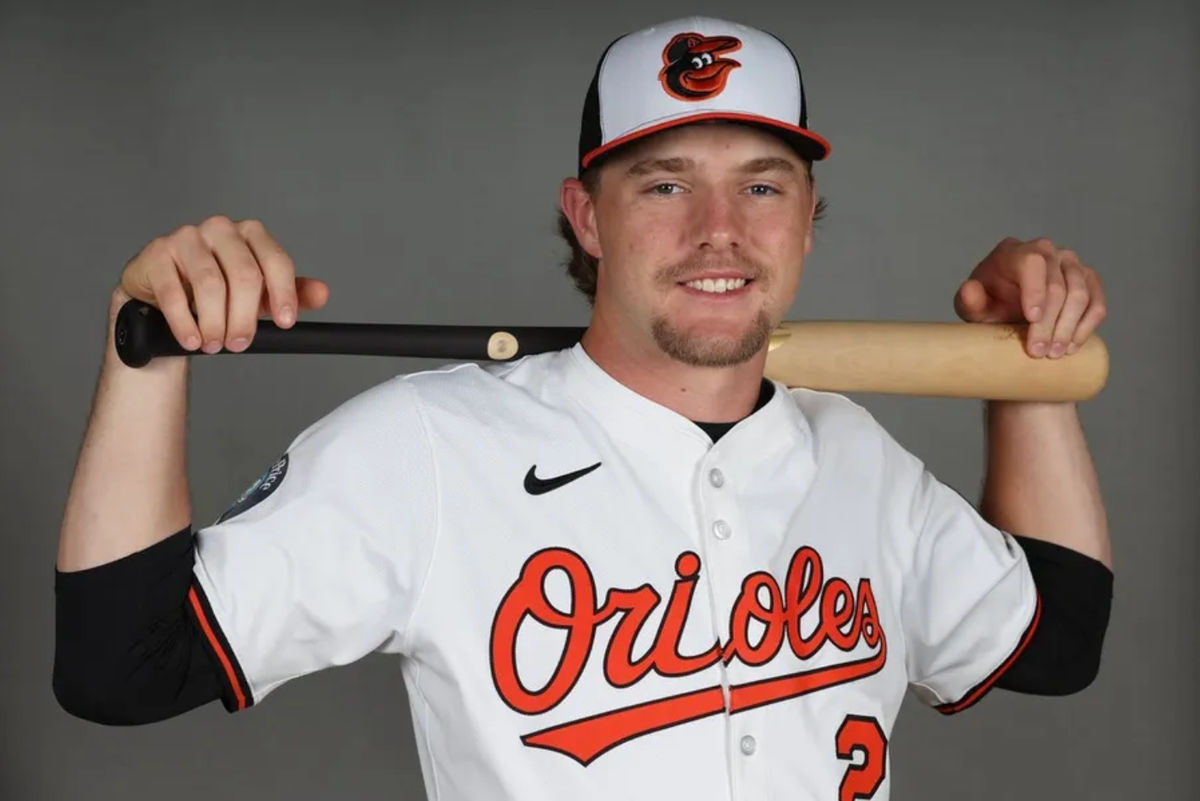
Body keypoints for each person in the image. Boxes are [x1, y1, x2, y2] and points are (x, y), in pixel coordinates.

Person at [54, 15, 1113, 801]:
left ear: (806, 223)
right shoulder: (429, 447)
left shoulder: (857, 456)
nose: (718, 229)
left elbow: (1057, 644)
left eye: (762, 183)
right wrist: (141, 348)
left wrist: (1025, 360)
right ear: (586, 217)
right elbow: (122, 667)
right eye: (662, 183)